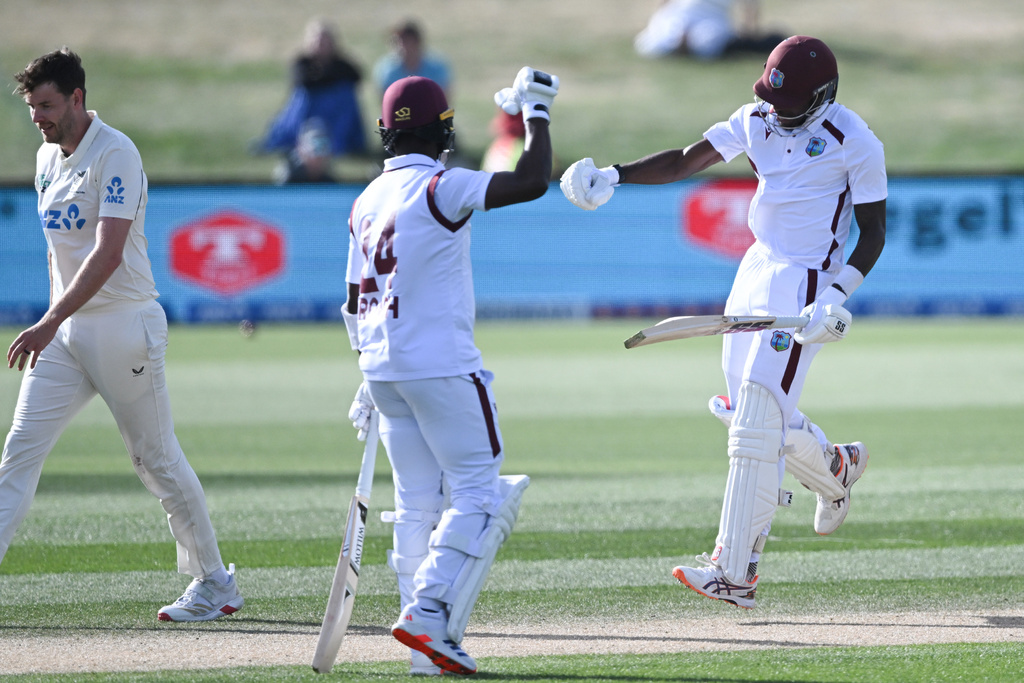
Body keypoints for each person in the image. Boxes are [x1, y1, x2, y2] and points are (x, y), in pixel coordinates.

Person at [561, 35, 886, 608]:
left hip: (808, 278)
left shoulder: (853, 140)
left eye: (790, 106)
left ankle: (735, 572)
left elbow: (874, 234)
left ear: (824, 96)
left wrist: (836, 296)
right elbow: (691, 159)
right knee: (751, 416)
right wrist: (615, 175)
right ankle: (836, 467)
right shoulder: (757, 117)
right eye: (771, 99)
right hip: (757, 266)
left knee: (757, 420)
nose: (776, 114)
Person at [1, 48, 243, 622]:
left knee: (154, 459)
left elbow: (108, 254)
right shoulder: (45, 156)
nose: (39, 117)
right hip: (65, 335)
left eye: (48, 105)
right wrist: (57, 324)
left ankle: (215, 583)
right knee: (17, 457)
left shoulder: (117, 153)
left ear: (78, 98)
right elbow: (62, 255)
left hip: (124, 325)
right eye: (33, 107)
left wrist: (47, 320)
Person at [343, 67, 558, 674]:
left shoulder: (364, 201)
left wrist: (366, 371)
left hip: (384, 370)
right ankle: (430, 610)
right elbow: (534, 180)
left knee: (415, 505)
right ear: (444, 130)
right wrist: (535, 113)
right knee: (480, 494)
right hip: (439, 368)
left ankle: (425, 651)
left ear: (385, 131)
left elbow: (354, 299)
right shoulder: (441, 185)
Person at [258, 19, 367, 156]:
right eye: (317, 40)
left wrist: (322, 79)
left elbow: (356, 76)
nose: (320, 45)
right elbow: (302, 81)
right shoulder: (302, 62)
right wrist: (327, 79)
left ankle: (337, 142)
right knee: (304, 96)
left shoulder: (342, 64)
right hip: (308, 109)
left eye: (324, 40)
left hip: (335, 111)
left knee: (345, 93)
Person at [634, 0, 786, 60]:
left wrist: (749, 36)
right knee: (655, 43)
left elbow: (750, 6)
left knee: (710, 43)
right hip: (679, 15)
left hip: (713, 20)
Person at [373, 20, 452, 99]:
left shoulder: (436, 67)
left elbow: (445, 98)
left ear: (417, 41)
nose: (400, 46)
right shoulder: (387, 70)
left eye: (405, 41)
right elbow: (384, 101)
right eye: (396, 41)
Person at [272, 118, 336, 184]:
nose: (317, 159)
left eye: (322, 155)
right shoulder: (290, 181)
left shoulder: (330, 184)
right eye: (313, 154)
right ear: (300, 151)